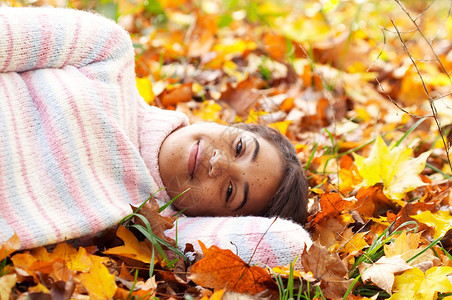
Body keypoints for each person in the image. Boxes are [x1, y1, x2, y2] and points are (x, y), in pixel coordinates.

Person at [0, 6, 311, 267]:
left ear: (219, 219)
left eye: (230, 191)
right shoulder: (108, 53)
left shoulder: (148, 228)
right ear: (229, 125)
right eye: (240, 147)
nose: (218, 162)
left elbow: (289, 245)